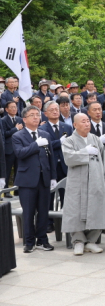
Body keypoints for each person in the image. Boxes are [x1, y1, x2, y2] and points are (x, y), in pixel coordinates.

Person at [60, 113, 105, 255]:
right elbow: (68, 158)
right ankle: (78, 241)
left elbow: (104, 159)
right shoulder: (69, 141)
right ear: (75, 125)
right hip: (77, 182)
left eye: (88, 121)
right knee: (75, 210)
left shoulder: (95, 139)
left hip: (96, 180)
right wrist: (84, 152)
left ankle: (91, 241)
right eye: (83, 121)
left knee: (97, 208)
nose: (87, 124)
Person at [13, 105, 56, 253]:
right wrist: (35, 145)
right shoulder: (17, 136)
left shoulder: (45, 134)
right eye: (32, 115)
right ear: (24, 119)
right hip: (27, 180)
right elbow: (20, 154)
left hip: (44, 178)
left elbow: (51, 157)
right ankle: (29, 241)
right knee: (29, 212)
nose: (36, 117)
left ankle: (42, 240)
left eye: (37, 115)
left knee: (44, 211)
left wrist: (53, 177)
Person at [39, 101, 73, 232]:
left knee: (67, 195)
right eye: (52, 109)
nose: (55, 111)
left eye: (57, 109)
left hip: (65, 165)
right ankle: (48, 222)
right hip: (50, 165)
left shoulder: (67, 127)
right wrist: (59, 142)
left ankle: (67, 220)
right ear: (46, 113)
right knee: (49, 196)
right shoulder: (42, 129)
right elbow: (45, 145)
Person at [2, 100, 22, 195]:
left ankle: (17, 190)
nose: (14, 109)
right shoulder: (3, 120)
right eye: (12, 107)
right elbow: (4, 134)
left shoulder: (19, 119)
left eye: (15, 107)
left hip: (18, 149)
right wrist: (16, 129)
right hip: (8, 149)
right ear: (6, 109)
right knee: (7, 171)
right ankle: (6, 191)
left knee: (19, 170)